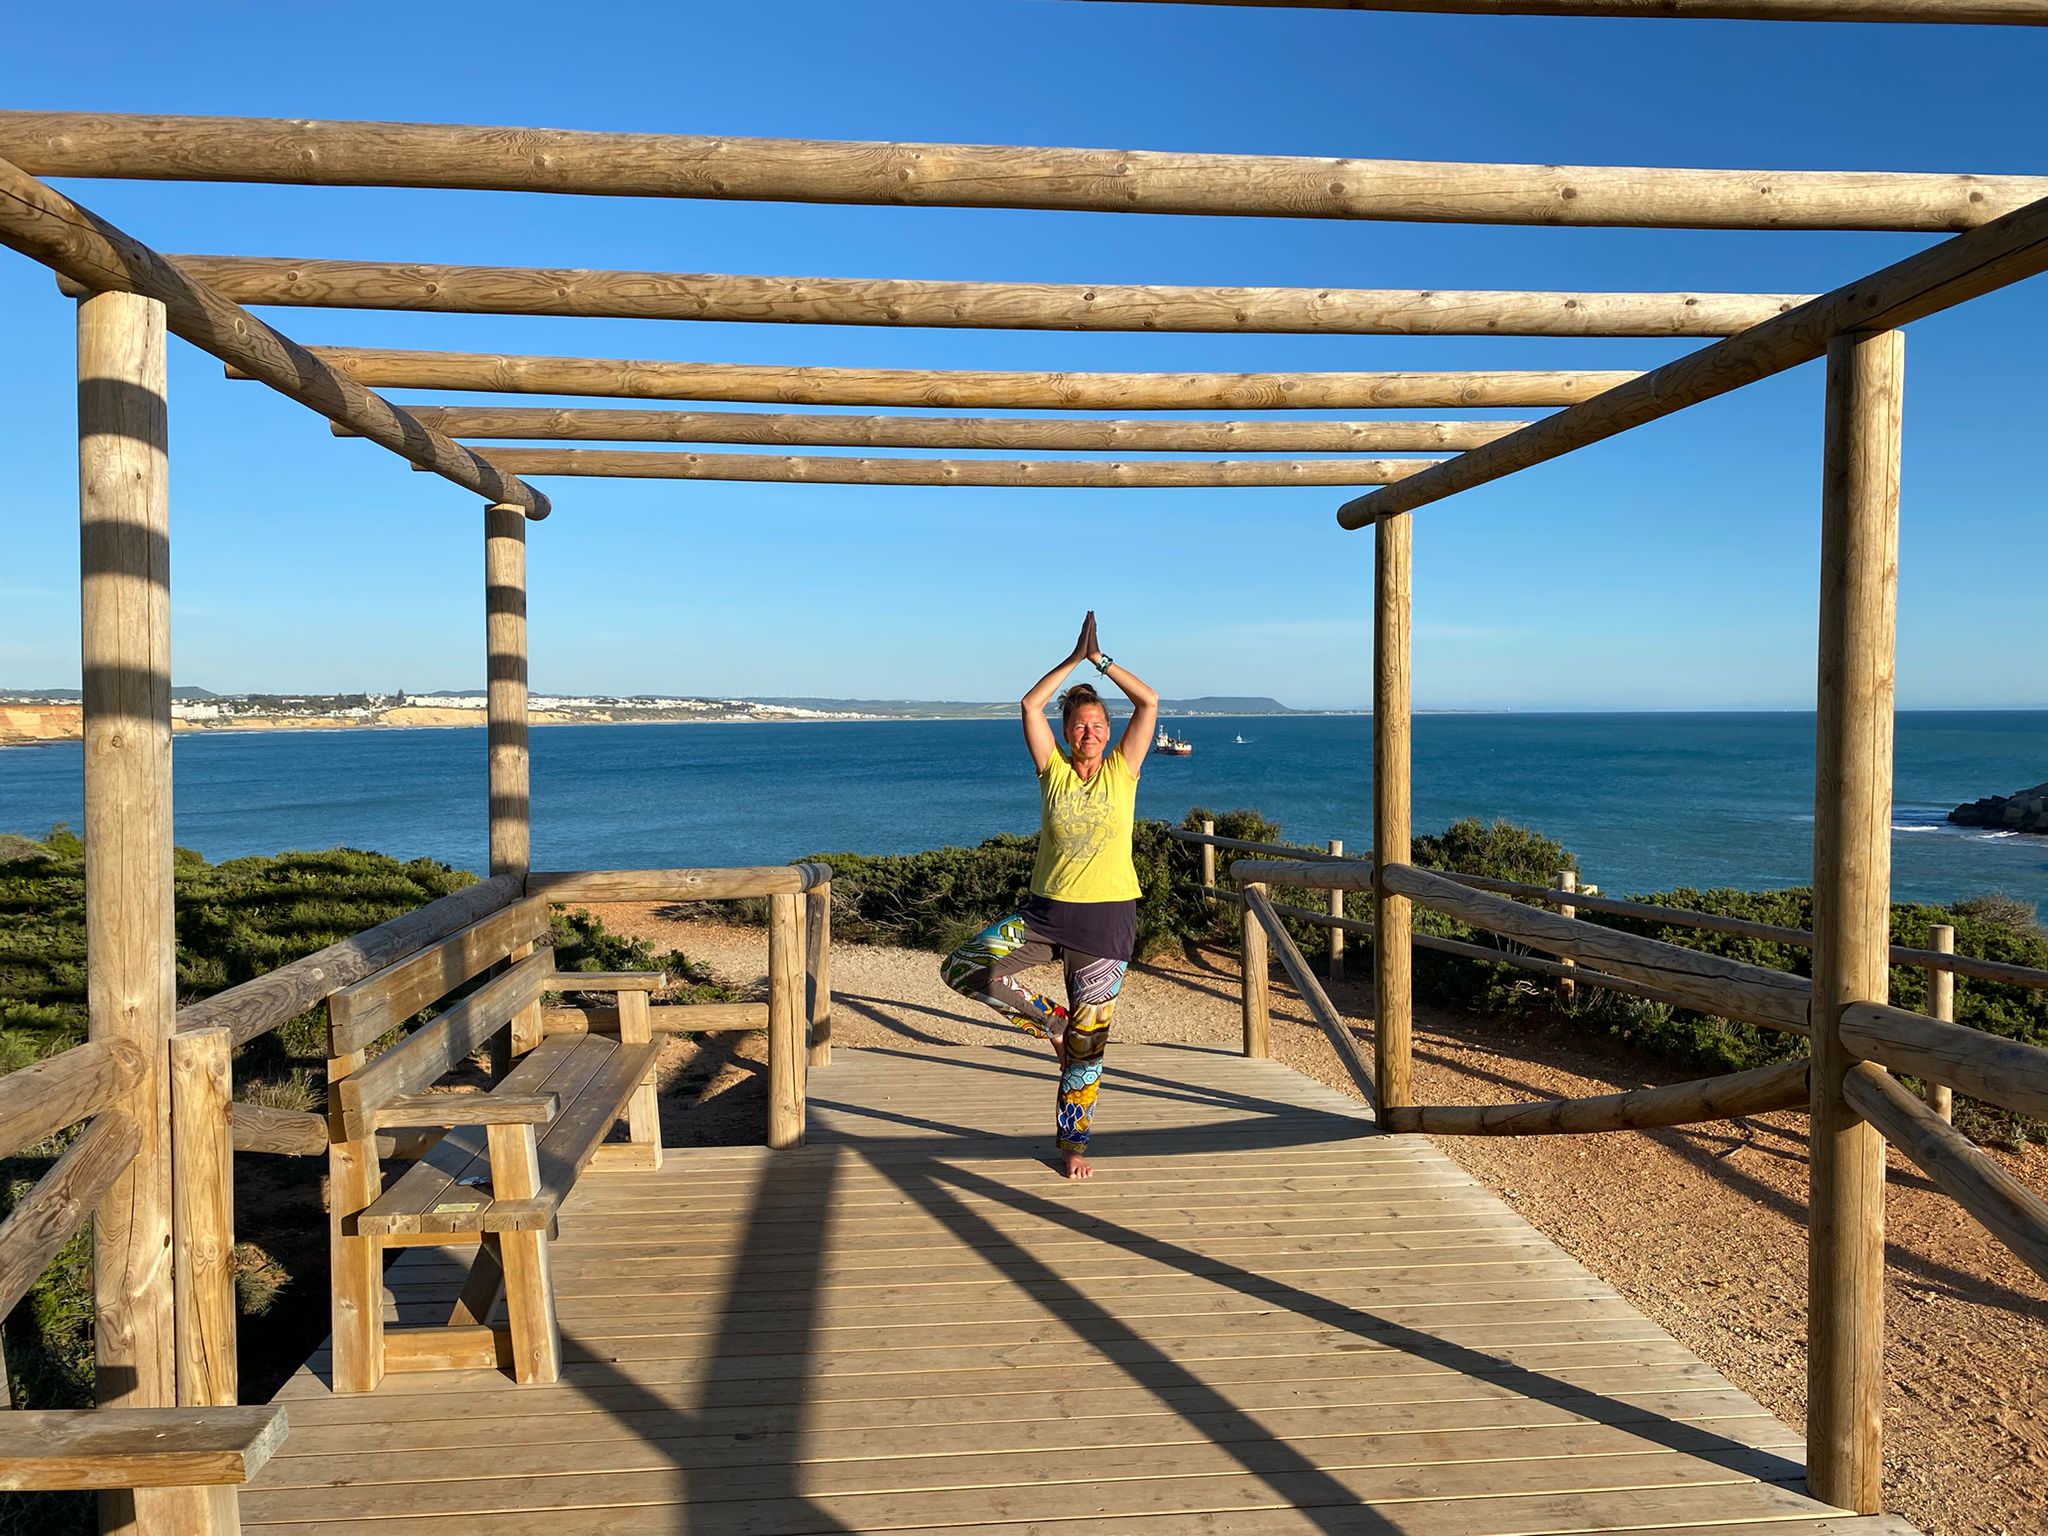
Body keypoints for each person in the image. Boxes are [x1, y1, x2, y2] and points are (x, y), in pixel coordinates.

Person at [941, 613, 1158, 1179]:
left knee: (1087, 1057)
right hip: (1043, 915)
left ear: (1108, 731)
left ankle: (1073, 1148)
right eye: (1080, 725)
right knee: (966, 970)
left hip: (1106, 925)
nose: (1090, 733)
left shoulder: (1123, 773)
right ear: (1067, 732)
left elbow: (1150, 703)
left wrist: (1101, 662)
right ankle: (1053, 1024)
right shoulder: (1053, 773)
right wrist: (1072, 660)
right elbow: (1029, 706)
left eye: (1097, 725)